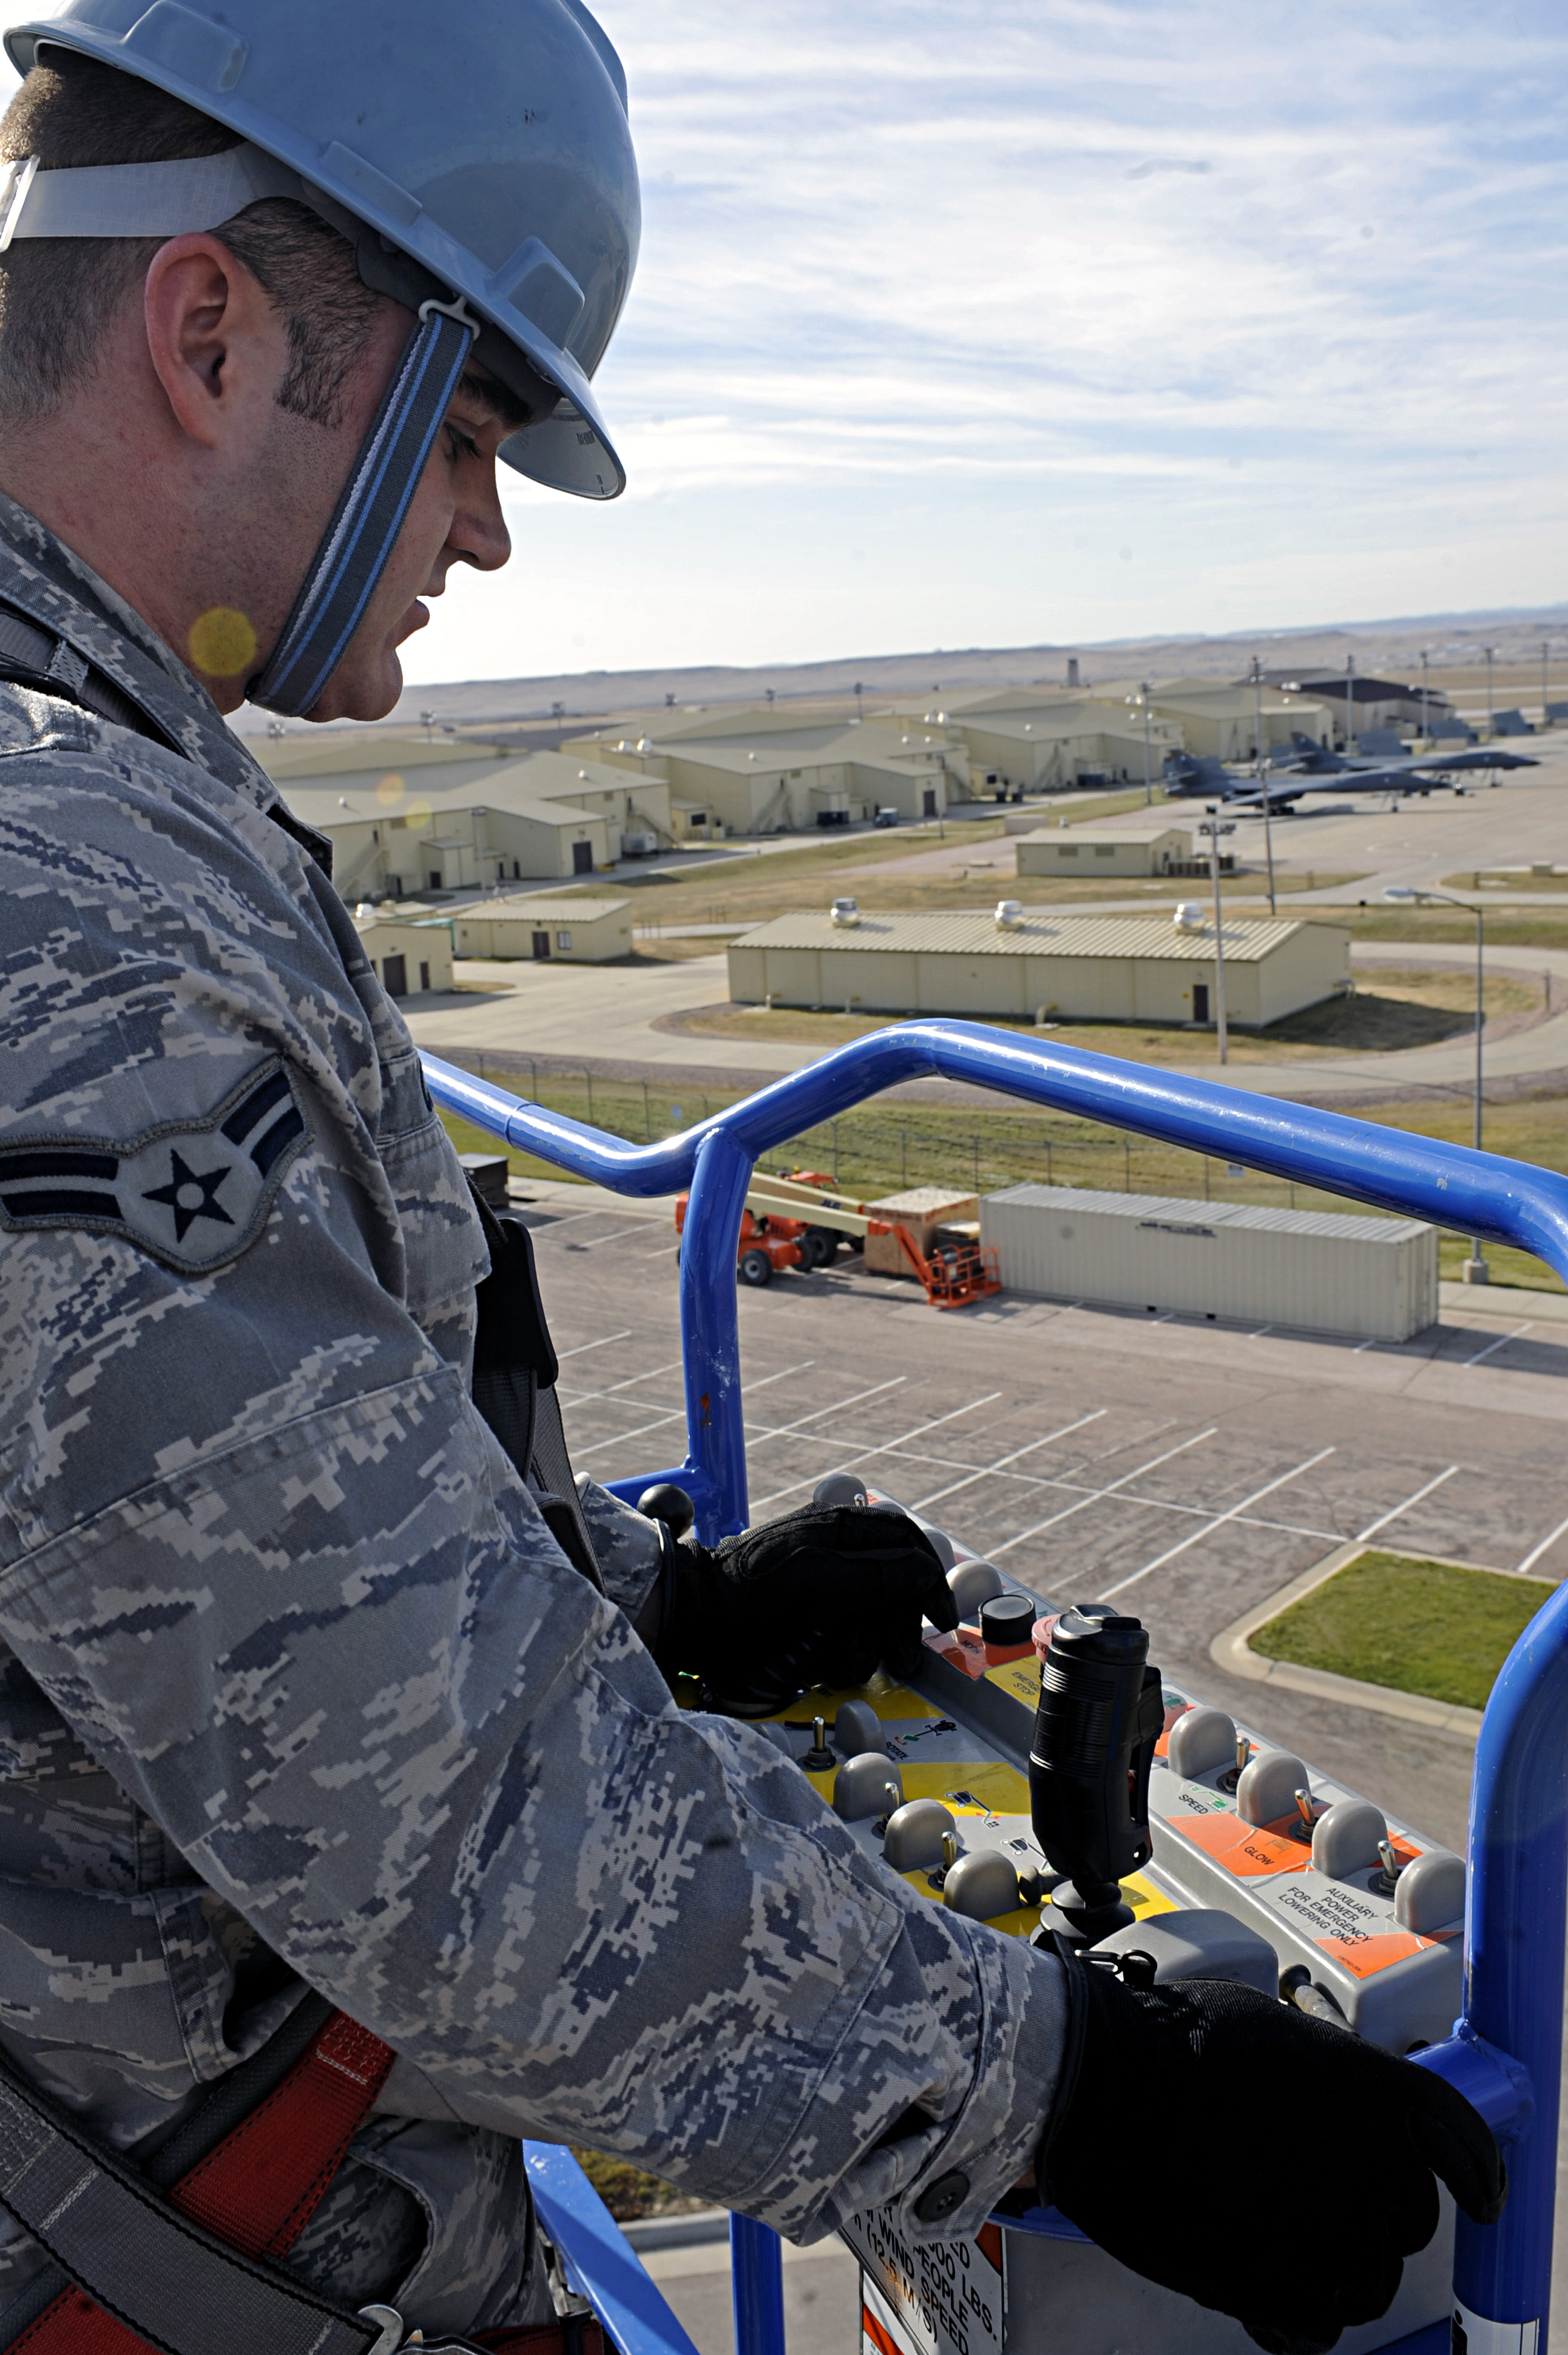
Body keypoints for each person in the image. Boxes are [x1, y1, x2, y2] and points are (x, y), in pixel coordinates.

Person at [0, 7, 1502, 2354]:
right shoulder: (65, 902)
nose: (484, 528)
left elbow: (165, 1532)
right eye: (471, 424)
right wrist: (1082, 2093)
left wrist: (643, 1604)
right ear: (210, 331)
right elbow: (433, 1823)